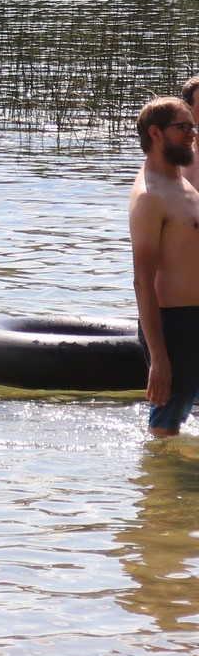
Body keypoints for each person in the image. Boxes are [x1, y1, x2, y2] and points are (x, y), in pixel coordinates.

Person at [131, 97, 199, 436]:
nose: (191, 134)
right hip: (174, 325)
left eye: (193, 126)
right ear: (155, 133)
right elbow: (142, 281)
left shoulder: (180, 182)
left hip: (195, 319)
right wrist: (159, 358)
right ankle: (159, 485)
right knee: (166, 425)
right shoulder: (150, 196)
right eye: (183, 127)